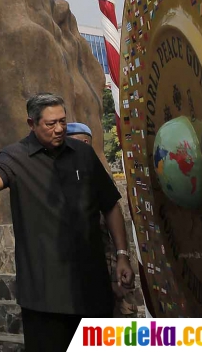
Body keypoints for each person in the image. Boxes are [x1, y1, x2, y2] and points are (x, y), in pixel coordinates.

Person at [0, 93, 135, 352]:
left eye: (63, 122)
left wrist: (122, 254)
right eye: (50, 124)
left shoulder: (83, 154)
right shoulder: (16, 156)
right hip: (43, 294)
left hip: (91, 288)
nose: (59, 129)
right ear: (31, 123)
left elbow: (110, 204)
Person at [65, 122, 138, 319]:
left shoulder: (96, 175)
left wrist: (117, 268)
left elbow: (111, 226)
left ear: (86, 142)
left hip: (110, 266)